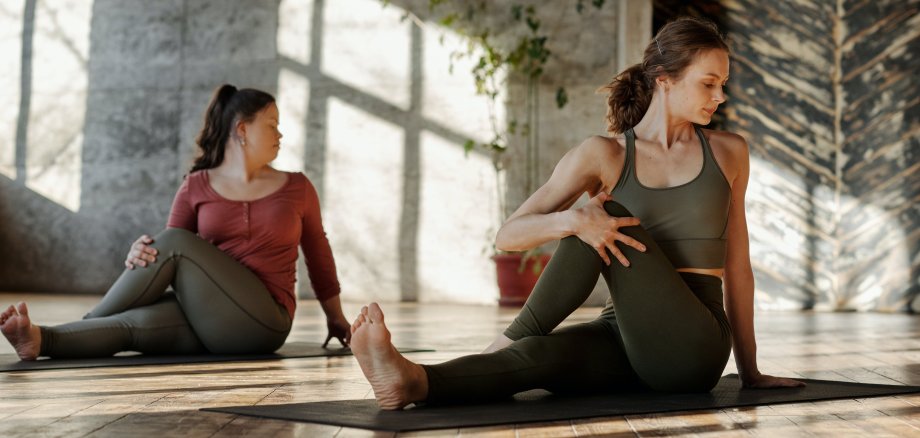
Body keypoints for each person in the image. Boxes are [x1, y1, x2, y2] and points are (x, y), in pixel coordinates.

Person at [348, 17, 805, 409]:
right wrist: (572, 220)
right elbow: (509, 235)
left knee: (607, 212)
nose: (720, 96)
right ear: (664, 81)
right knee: (537, 356)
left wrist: (750, 371)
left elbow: (738, 267)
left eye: (722, 84)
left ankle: (497, 344)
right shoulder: (603, 154)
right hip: (623, 336)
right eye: (709, 83)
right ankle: (411, 381)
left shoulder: (728, 153)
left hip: (693, 348)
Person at [1, 84, 350, 360]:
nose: (280, 134)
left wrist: (335, 318)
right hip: (210, 319)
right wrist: (139, 253)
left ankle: (86, 322)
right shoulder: (196, 185)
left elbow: (318, 255)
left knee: (173, 242)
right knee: (131, 325)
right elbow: (165, 260)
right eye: (272, 125)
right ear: (242, 130)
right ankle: (39, 340)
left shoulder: (297, 188)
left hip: (264, 323)